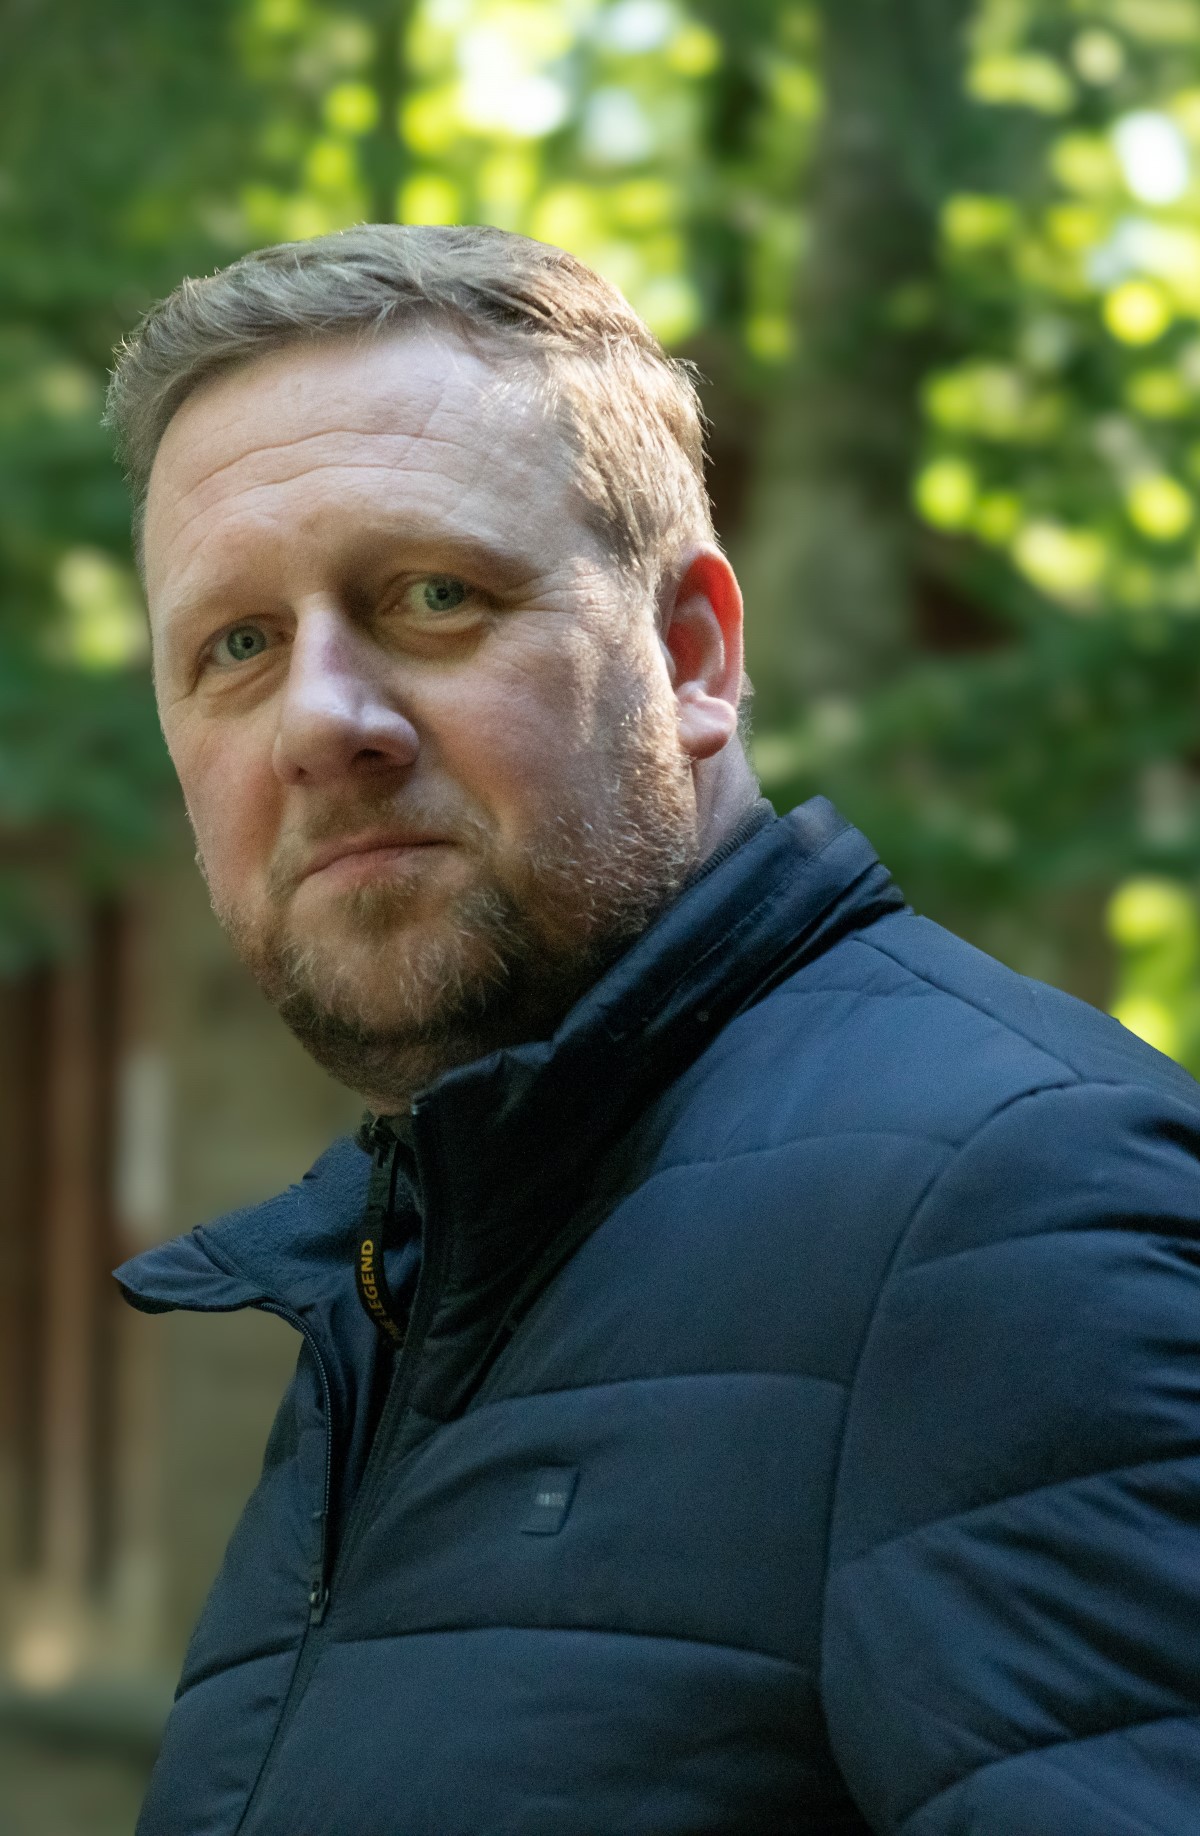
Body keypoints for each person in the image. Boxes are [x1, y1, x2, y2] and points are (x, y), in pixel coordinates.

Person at [107, 225, 1200, 1836]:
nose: (321, 721)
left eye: (433, 595)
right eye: (238, 646)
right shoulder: (418, 1279)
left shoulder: (1009, 1214)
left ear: (691, 654)